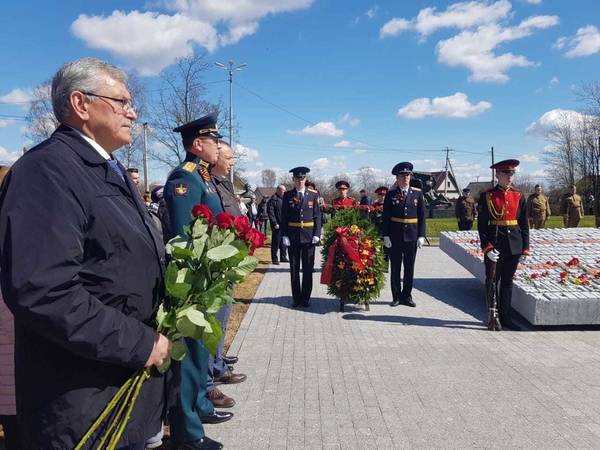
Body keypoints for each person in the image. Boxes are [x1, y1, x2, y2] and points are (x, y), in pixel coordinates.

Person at [0, 57, 170, 450]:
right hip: (80, 399)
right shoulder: (46, 172)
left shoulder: (101, 167)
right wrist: (140, 343)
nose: (133, 112)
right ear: (81, 104)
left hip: (117, 385)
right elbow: (44, 292)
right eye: (122, 102)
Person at [163, 112, 233, 450]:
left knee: (202, 348)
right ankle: (187, 432)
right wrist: (196, 279)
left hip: (208, 276)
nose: (218, 146)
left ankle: (201, 407)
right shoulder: (184, 178)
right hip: (192, 280)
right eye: (213, 140)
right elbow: (183, 237)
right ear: (197, 144)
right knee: (189, 355)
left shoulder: (203, 177)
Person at [477, 159, 530, 331]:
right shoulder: (487, 195)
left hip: (514, 243)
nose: (510, 176)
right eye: (506, 173)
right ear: (497, 174)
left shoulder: (519, 195)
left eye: (512, 173)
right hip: (496, 243)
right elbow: (482, 226)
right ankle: (493, 316)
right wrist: (487, 247)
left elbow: (523, 223)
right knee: (492, 281)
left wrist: (525, 247)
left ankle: (506, 317)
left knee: (507, 282)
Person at [382, 162, 426, 308]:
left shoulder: (417, 193)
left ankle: (407, 296)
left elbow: (422, 216)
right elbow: (386, 216)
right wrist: (386, 235)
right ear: (397, 177)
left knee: (409, 267)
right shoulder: (391, 195)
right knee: (395, 267)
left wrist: (421, 235)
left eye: (408, 175)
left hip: (411, 236)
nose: (406, 178)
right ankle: (396, 296)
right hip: (395, 236)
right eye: (403, 175)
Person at [281, 167, 322, 307]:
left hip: (309, 236)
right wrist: (284, 235)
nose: (300, 181)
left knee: (308, 268)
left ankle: (306, 298)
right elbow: (284, 217)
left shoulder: (313, 195)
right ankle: (296, 298)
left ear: (305, 179)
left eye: (302, 178)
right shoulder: (287, 195)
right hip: (293, 236)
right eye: (297, 178)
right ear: (293, 180)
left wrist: (317, 234)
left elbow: (317, 216)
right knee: (294, 268)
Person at [267, 184, 288, 265]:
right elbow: (271, 213)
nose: (284, 192)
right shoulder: (272, 200)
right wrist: (275, 223)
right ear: (278, 190)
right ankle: (275, 258)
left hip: (284, 224)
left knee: (284, 242)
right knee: (276, 242)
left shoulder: (284, 199)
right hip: (277, 225)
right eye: (283, 190)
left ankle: (283, 257)